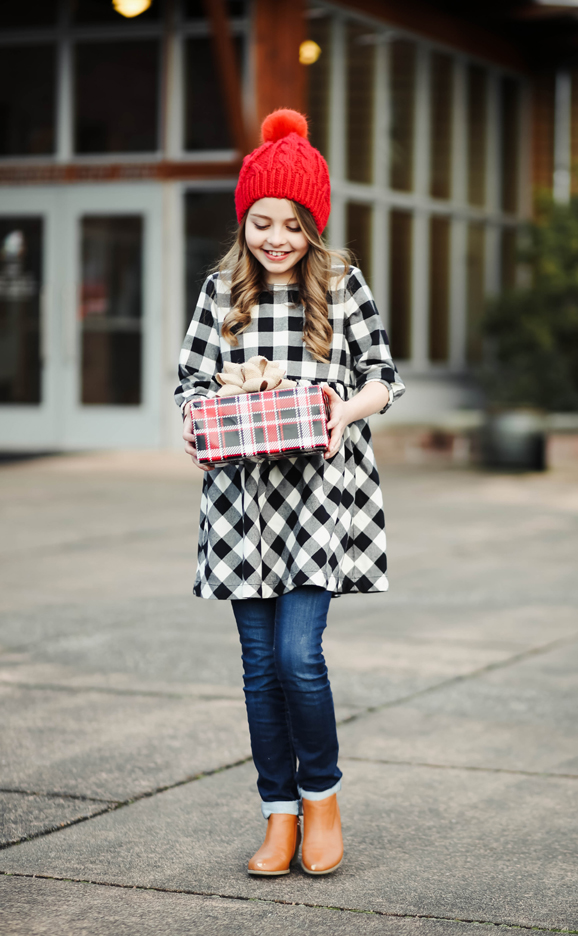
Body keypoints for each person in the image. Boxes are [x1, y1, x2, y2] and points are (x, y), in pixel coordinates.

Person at [175, 109, 404, 878]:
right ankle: (277, 814)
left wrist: (340, 409)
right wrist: (203, 411)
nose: (275, 238)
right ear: (245, 223)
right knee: (256, 664)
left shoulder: (343, 287)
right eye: (262, 222)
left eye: (292, 224)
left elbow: (383, 378)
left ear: (313, 226)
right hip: (243, 505)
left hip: (319, 501)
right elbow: (190, 385)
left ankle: (322, 797)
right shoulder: (219, 292)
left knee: (298, 656)